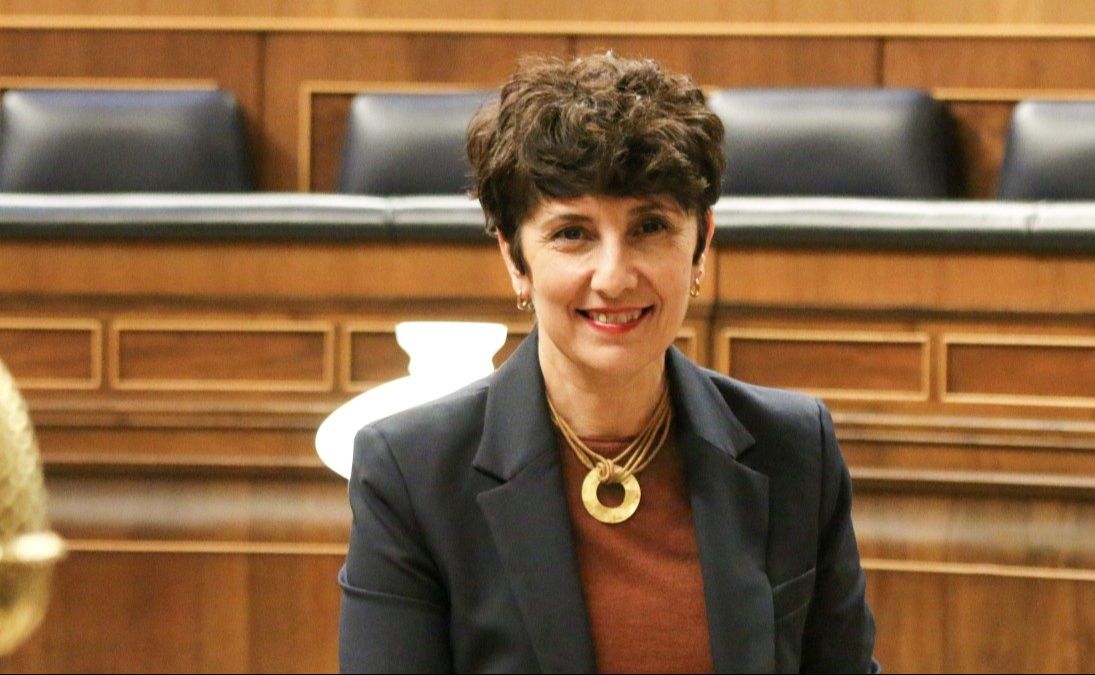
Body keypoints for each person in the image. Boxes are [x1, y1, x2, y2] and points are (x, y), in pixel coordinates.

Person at [338, 52, 878, 674]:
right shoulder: (411, 474)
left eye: (650, 227)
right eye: (573, 233)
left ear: (701, 244)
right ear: (515, 258)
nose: (614, 277)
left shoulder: (796, 449)